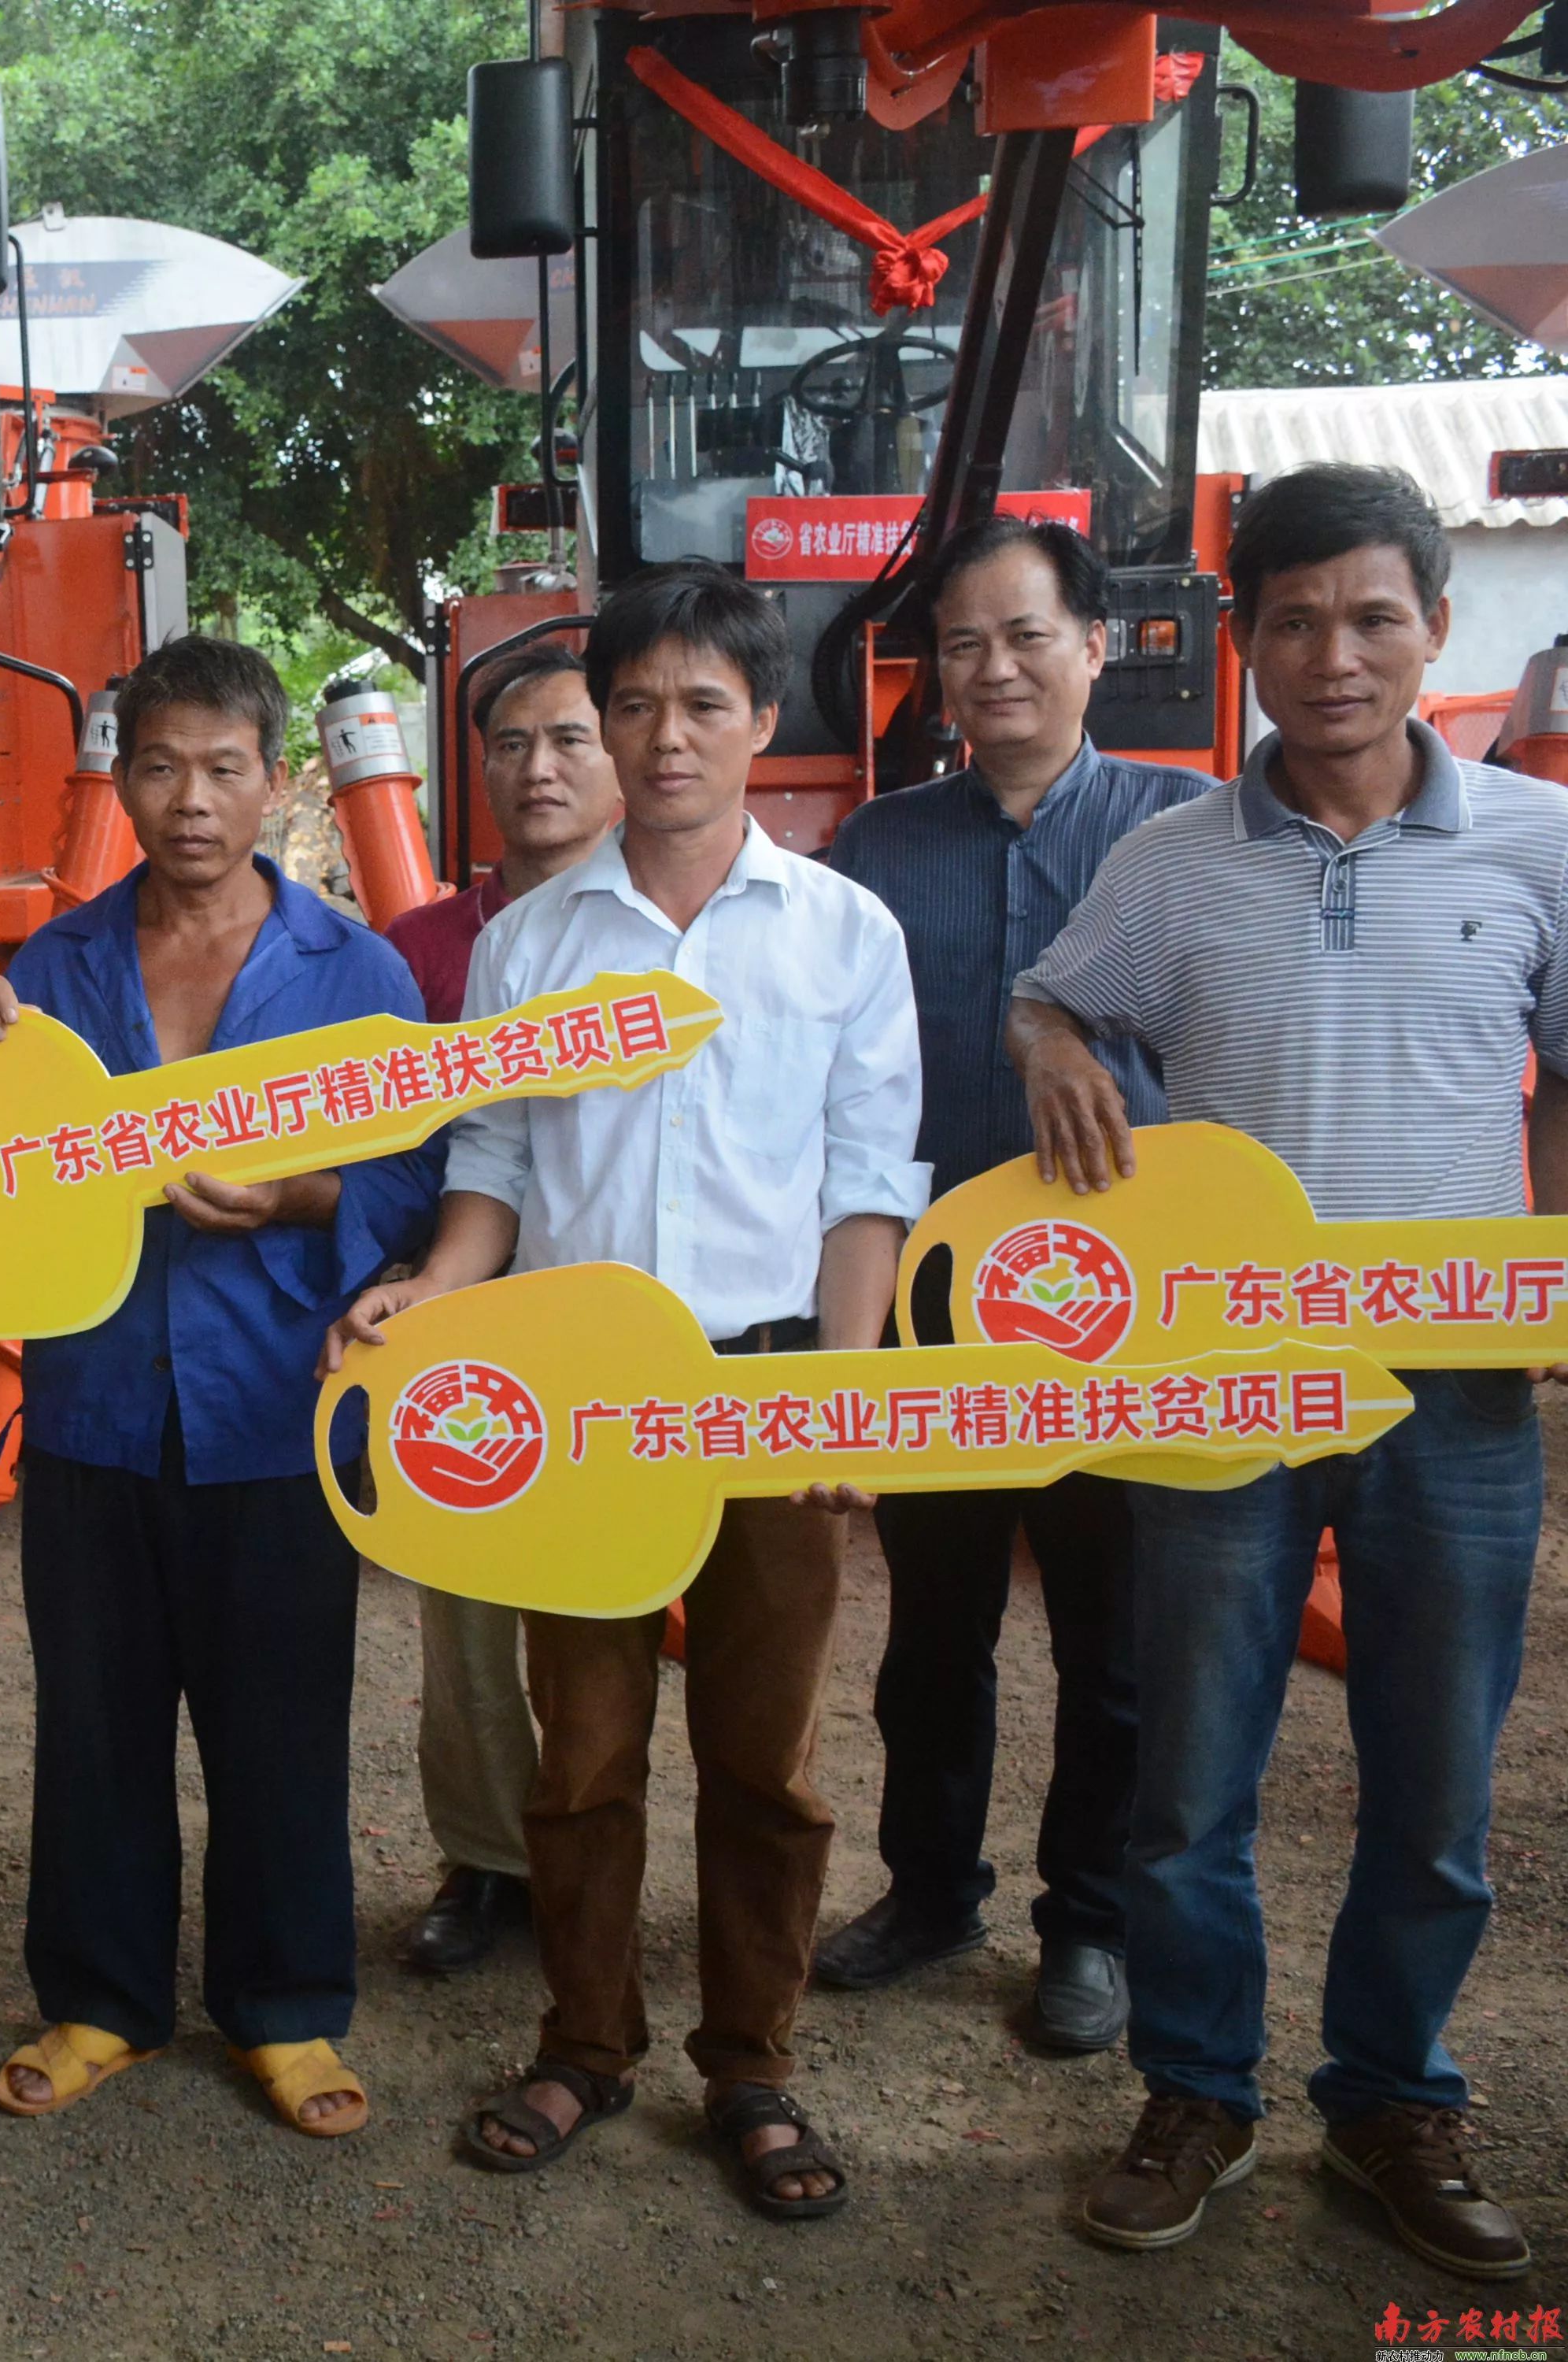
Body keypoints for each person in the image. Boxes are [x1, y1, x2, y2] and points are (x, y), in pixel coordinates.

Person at [1009, 465, 1563, 2279]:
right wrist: (1048, 1041)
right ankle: (1198, 2091)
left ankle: (1392, 2092)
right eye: (1298, 620)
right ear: (1245, 641)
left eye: (1373, 616)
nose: (1335, 655)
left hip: (1456, 1398)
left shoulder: (1533, 849)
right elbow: (1057, 994)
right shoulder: (1169, 861)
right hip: (1222, 1382)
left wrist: (1543, 1276)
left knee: (1435, 1782)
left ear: (1434, 627)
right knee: (1189, 1778)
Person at [329, 561, 927, 2219]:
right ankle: (584, 2043)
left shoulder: (840, 933)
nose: (667, 740)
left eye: (704, 707)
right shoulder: (528, 942)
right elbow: (497, 1161)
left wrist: (845, 1398)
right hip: (575, 1413)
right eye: (637, 708)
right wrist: (431, 1289)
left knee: (764, 1761)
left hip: (759, 1396)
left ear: (761, 722)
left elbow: (868, 1175)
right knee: (580, 1755)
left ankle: (752, 2067)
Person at [0, 635, 444, 2142]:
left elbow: (414, 1172)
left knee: (281, 1717)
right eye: (159, 767)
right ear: (124, 781)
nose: (192, 799)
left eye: (225, 768)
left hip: (274, 1405)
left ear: (276, 784)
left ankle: (286, 2008)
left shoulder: (357, 972)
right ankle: (101, 1997)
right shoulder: (59, 967)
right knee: (94, 1719)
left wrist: (301, 1203)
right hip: (94, 1403)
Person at [809, 516, 1206, 2053]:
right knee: (935, 1629)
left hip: (1125, 1317)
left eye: (1025, 636)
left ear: (1094, 647)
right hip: (933, 1308)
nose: (992, 669)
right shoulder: (881, 849)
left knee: (1110, 1641)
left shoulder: (1184, 838)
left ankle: (1086, 1926)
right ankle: (926, 1889)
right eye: (960, 645)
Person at [376, 640, 621, 1977]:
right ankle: (484, 1862)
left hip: (612, 1328)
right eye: (511, 744)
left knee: (604, 1613)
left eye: (570, 739)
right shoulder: (417, 951)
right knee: (463, 1615)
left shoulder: (662, 942)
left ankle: (600, 1860)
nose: (539, 769)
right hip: (457, 1318)